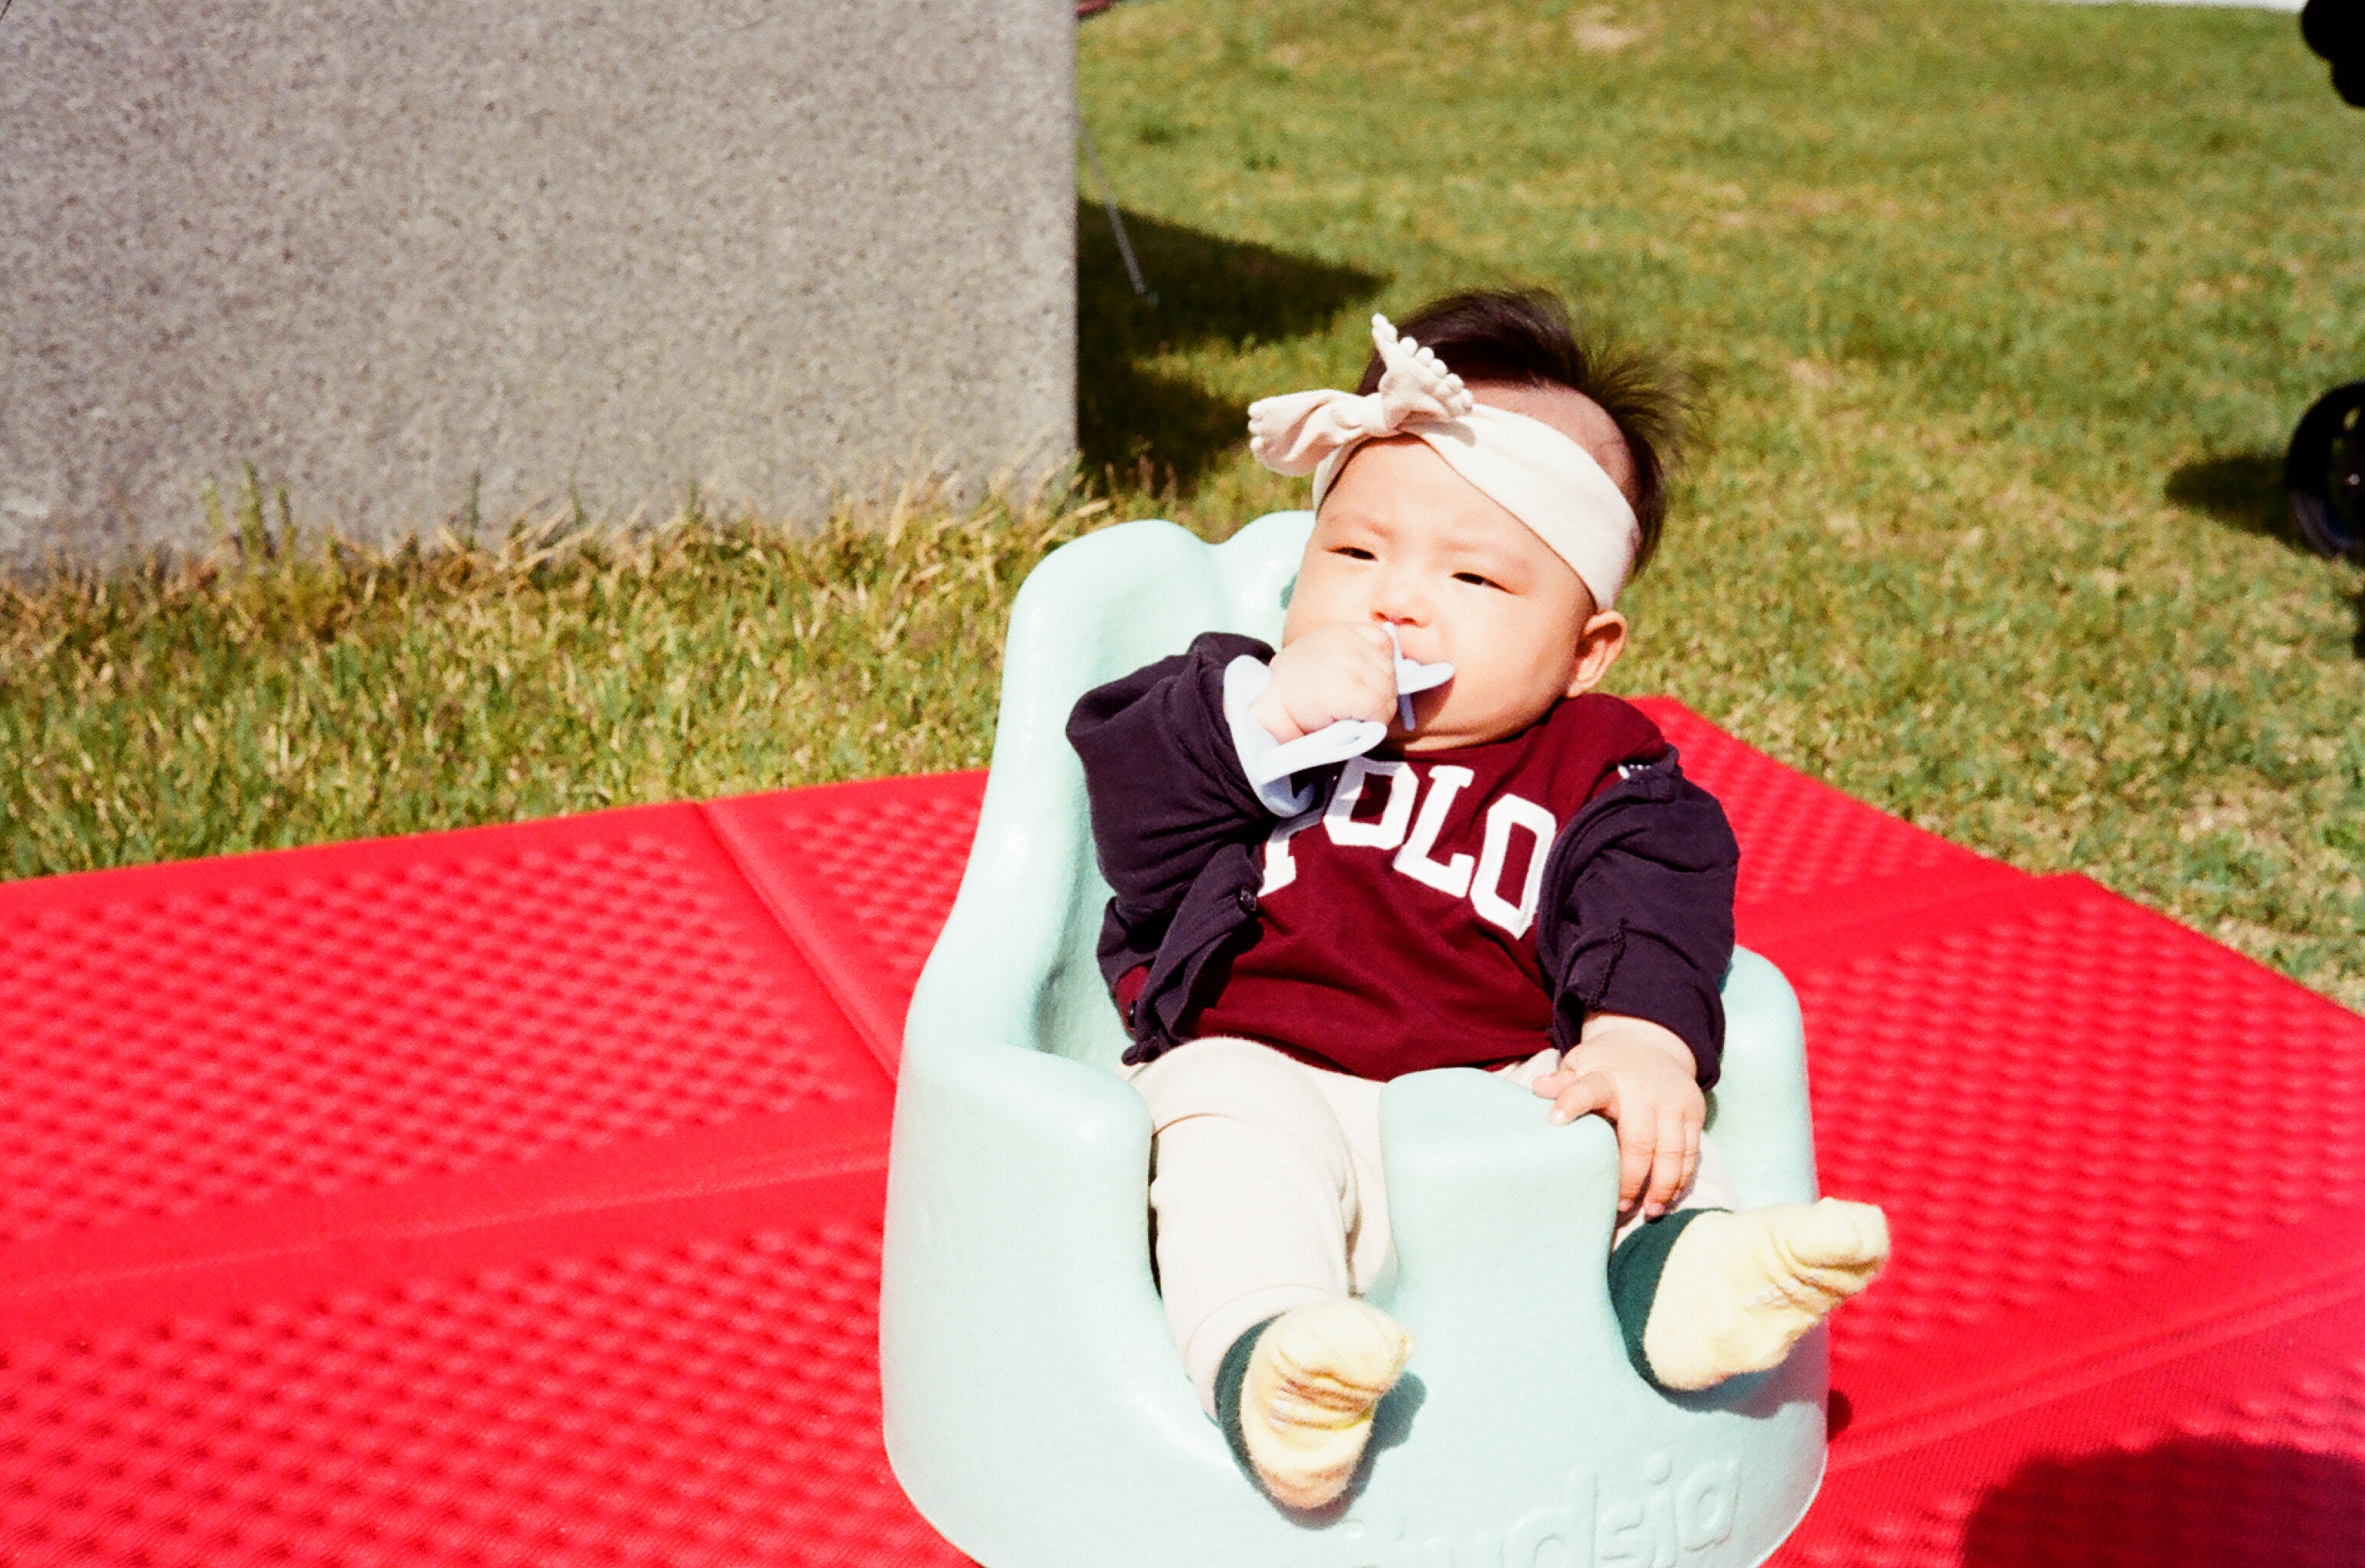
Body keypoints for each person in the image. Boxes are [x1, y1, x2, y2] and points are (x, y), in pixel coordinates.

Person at [1067, 290, 1889, 1514]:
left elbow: (1657, 898)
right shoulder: (1238, 705)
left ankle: (1689, 1284)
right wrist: (1269, 718)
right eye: (1355, 556)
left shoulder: (1599, 771)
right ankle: (1276, 1363)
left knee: (1624, 1134)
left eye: (1473, 576)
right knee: (1217, 1131)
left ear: (1585, 649)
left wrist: (1639, 1036)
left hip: (1493, 1106)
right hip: (1268, 1071)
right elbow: (1133, 821)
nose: (1396, 602)